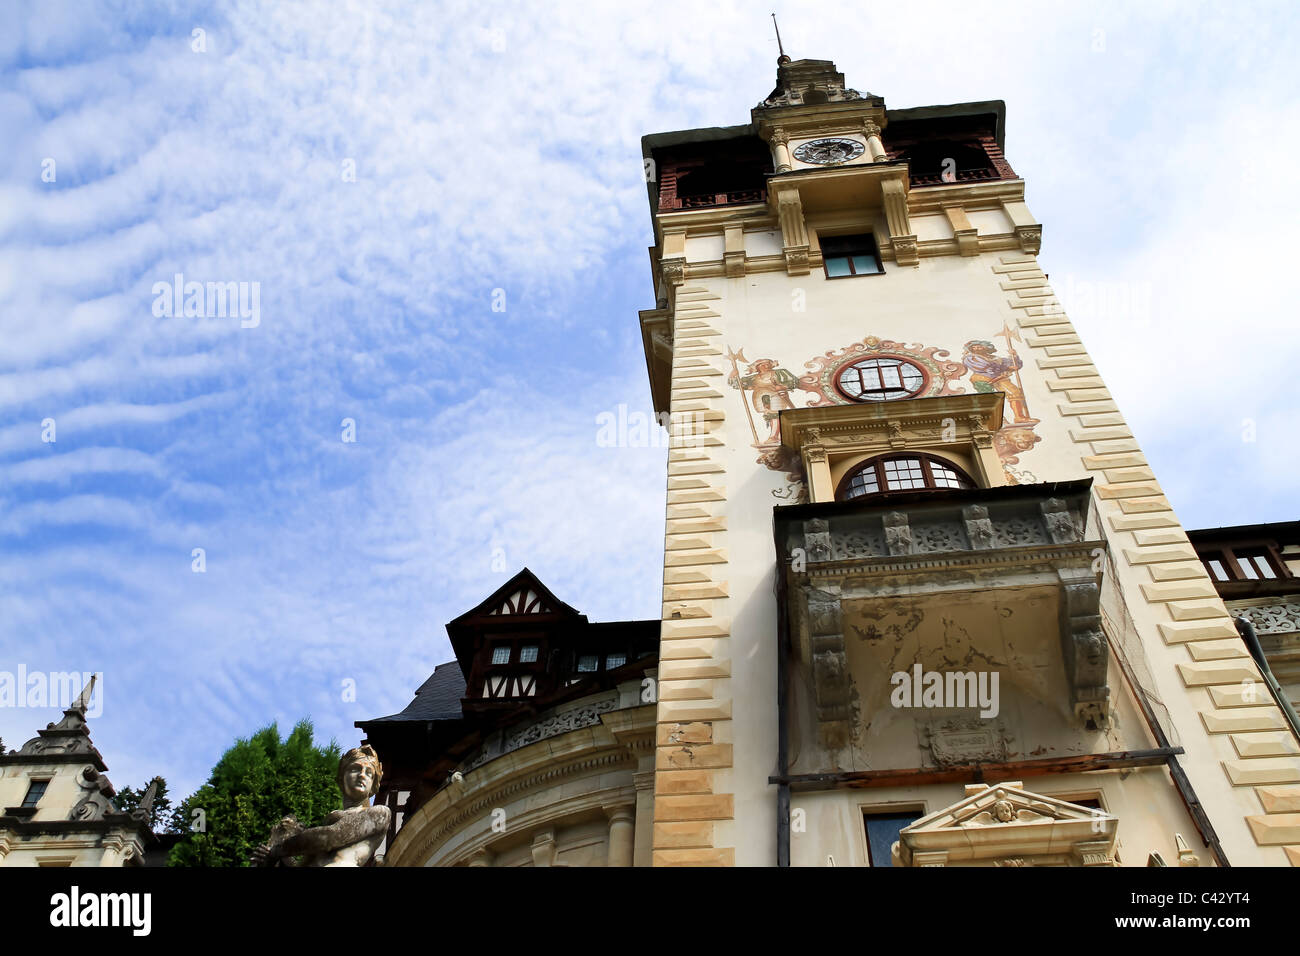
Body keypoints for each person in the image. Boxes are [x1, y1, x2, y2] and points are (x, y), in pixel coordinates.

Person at [251, 745, 390, 867]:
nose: (362, 775)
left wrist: (277, 851)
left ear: (373, 785)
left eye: (369, 773)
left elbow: (329, 836)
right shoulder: (330, 818)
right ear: (341, 777)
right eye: (355, 769)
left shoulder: (379, 813)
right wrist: (271, 859)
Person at [962, 340, 1037, 425]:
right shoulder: (970, 358)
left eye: (979, 346)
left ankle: (1019, 417)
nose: (976, 348)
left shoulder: (995, 358)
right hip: (982, 379)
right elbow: (983, 366)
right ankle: (999, 420)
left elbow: (1014, 364)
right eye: (973, 347)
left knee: (1015, 392)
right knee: (990, 400)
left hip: (1000, 378)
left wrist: (1014, 355)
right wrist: (1005, 368)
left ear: (986, 347)